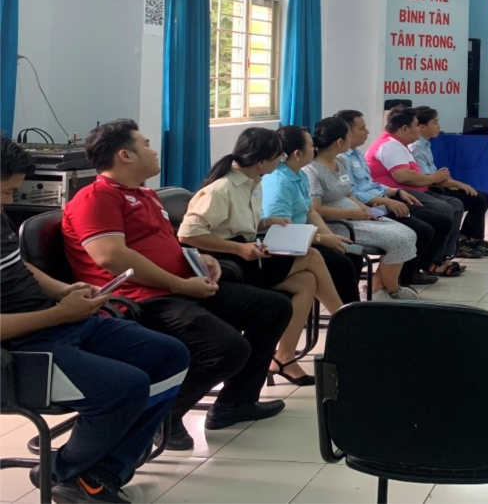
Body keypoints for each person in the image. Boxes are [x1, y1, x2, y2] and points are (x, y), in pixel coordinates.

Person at [61, 120, 291, 453]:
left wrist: (200, 259)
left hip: (177, 286)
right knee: (227, 348)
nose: (154, 151)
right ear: (125, 155)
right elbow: (111, 256)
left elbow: (167, 243)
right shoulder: (96, 198)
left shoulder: (144, 194)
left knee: (274, 307)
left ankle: (236, 403)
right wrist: (180, 285)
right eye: (146, 144)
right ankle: (161, 415)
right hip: (140, 298)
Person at [0, 135, 190, 504]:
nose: (8, 201)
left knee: (170, 356)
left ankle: (97, 473)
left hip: (57, 322)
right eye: (6, 191)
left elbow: (17, 266)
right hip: (20, 349)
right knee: (126, 387)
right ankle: (61, 472)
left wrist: (64, 290)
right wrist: (57, 313)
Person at [178, 128, 346, 386]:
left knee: (306, 282)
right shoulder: (221, 189)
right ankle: (346, 321)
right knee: (312, 256)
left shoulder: (253, 182)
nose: (280, 162)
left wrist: (267, 222)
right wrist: (238, 249)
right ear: (261, 162)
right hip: (226, 263)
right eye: (278, 157)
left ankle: (284, 357)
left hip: (246, 253)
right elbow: (188, 235)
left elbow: (240, 224)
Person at [303, 117, 419, 301]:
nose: (351, 140)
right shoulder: (312, 171)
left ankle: (379, 287)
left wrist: (368, 211)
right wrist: (353, 213)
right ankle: (393, 290)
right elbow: (316, 209)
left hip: (357, 216)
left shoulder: (340, 163)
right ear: (340, 141)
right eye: (348, 136)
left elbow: (348, 194)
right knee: (399, 238)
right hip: (338, 225)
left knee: (409, 233)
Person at [333, 109, 454, 283]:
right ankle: (401, 278)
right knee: (424, 228)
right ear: (347, 132)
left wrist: (395, 192)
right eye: (362, 128)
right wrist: (385, 200)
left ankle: (410, 272)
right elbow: (352, 193)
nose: (367, 132)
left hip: (384, 200)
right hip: (370, 207)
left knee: (440, 220)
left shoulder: (357, 155)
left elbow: (371, 184)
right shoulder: (341, 159)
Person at [262, 125, 363, 312]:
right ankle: (346, 317)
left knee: (351, 254)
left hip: (304, 238)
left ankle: (351, 312)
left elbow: (311, 212)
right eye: (310, 145)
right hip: (285, 246)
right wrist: (321, 239)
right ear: (297, 154)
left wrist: (329, 237)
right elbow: (281, 232)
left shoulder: (300, 174)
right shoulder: (279, 182)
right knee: (341, 264)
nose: (314, 148)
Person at [365, 105, 468, 272]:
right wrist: (434, 178)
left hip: (411, 191)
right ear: (405, 129)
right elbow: (403, 176)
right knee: (444, 209)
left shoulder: (400, 144)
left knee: (453, 205)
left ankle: (440, 258)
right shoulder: (390, 145)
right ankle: (431, 263)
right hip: (397, 195)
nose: (418, 130)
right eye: (415, 126)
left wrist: (435, 178)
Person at [411, 105, 488, 257]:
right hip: (428, 190)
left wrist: (451, 183)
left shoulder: (425, 144)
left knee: (484, 196)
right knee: (477, 199)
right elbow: (429, 179)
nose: (439, 126)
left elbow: (437, 175)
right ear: (422, 127)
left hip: (436, 184)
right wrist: (458, 184)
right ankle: (469, 241)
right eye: (435, 122)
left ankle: (467, 239)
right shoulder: (416, 147)